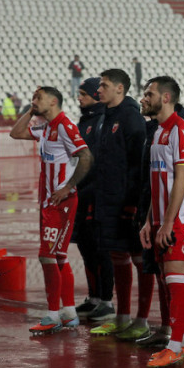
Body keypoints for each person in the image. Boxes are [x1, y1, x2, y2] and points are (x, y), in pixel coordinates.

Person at [9, 86, 93, 333]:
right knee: (59, 257)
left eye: (39, 97)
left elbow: (86, 156)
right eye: (33, 97)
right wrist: (30, 110)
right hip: (47, 201)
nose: (34, 100)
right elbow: (16, 133)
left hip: (60, 203)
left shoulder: (65, 125)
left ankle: (53, 315)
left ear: (54, 101)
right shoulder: (46, 127)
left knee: (47, 256)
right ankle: (69, 313)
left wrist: (68, 187)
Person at [138, 76, 184, 368]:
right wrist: (149, 221)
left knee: (174, 280)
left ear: (165, 97)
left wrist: (168, 222)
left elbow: (182, 179)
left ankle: (174, 347)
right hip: (162, 219)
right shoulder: (158, 132)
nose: (143, 98)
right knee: (172, 280)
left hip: (180, 218)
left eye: (149, 94)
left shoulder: (181, 130)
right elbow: (158, 182)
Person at [89, 69, 153, 337]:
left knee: (140, 260)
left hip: (127, 203)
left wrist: (134, 202)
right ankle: (122, 316)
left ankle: (142, 320)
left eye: (103, 85)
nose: (98, 90)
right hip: (108, 201)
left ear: (119, 88)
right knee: (117, 257)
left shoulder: (130, 117)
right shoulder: (105, 117)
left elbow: (139, 164)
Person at [71, 78, 114, 320]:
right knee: (86, 246)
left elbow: (99, 159)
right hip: (82, 192)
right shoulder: (85, 121)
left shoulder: (101, 121)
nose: (79, 98)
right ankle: (94, 297)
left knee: (101, 248)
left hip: (95, 194)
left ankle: (107, 301)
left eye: (84, 94)